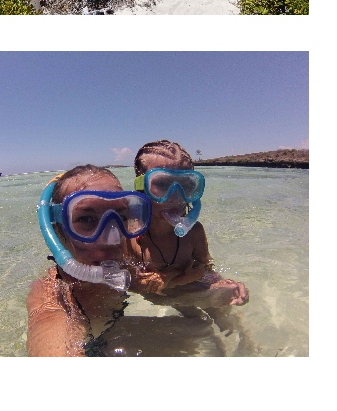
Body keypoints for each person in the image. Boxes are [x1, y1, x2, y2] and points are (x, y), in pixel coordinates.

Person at [128, 141, 257, 354]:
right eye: (162, 184)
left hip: (187, 287)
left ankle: (249, 350)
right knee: (198, 323)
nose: (176, 196)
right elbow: (132, 283)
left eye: (186, 185)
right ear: (141, 186)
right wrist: (177, 278)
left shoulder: (194, 232)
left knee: (225, 314)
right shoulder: (130, 234)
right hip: (161, 296)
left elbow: (205, 267)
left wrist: (226, 285)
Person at [26, 164, 151, 357]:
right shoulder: (54, 300)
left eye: (121, 216)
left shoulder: (126, 263)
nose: (112, 239)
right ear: (56, 230)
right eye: (86, 219)